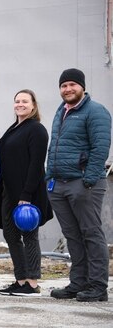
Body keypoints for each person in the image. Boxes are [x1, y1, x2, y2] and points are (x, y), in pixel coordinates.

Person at [47, 69, 111, 302]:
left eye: (72, 85)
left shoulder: (96, 111)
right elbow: (56, 147)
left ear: (82, 87)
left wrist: (89, 180)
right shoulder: (61, 111)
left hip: (83, 183)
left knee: (91, 234)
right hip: (59, 184)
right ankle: (78, 282)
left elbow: (100, 148)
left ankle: (97, 286)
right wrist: (49, 177)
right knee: (72, 235)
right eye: (64, 85)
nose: (68, 89)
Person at [0, 90, 53, 297]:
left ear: (33, 105)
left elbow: (36, 165)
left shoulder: (36, 129)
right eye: (17, 101)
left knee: (29, 234)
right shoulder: (14, 128)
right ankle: (21, 280)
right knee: (10, 234)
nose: (20, 104)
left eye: (24, 101)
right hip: (8, 192)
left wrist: (26, 194)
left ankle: (33, 283)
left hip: (27, 192)